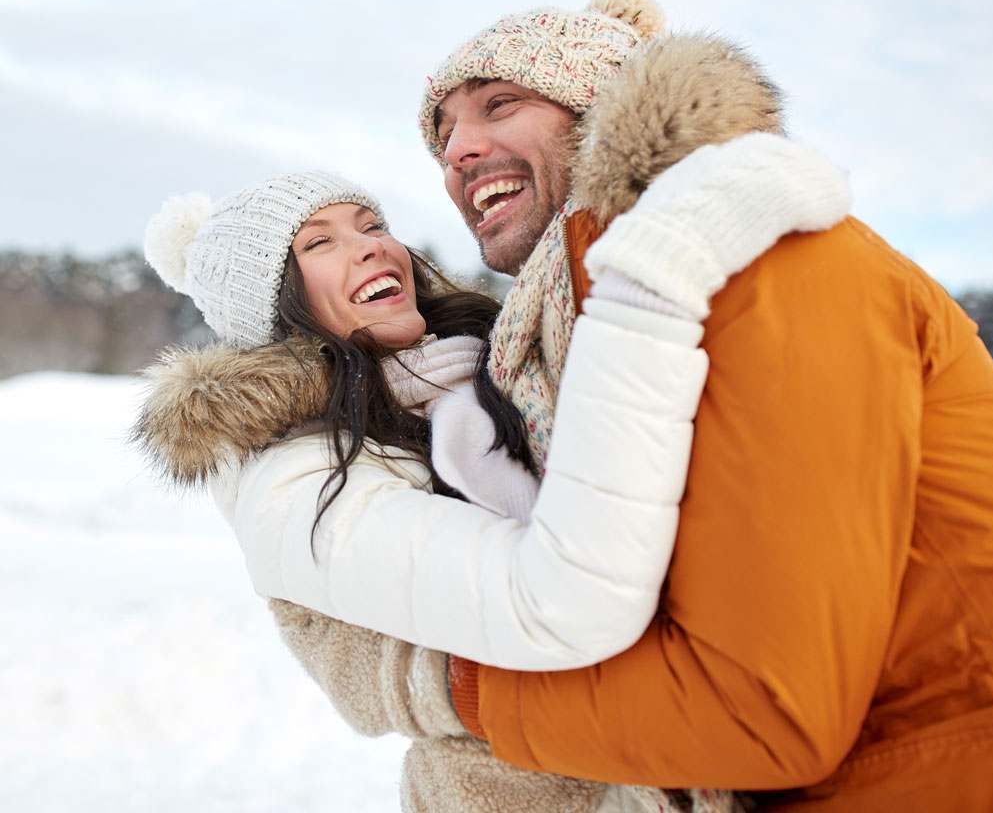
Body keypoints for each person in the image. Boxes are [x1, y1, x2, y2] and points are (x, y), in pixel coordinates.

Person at [260, 0, 993, 811]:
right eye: (441, 139)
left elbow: (764, 711)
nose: (458, 151)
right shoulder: (561, 337)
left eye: (498, 104)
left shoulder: (760, 260)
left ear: (599, 107)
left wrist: (445, 689)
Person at [136, 160, 847, 813]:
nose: (373, 247)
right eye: (319, 244)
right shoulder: (292, 477)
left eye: (372, 224)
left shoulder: (488, 365)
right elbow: (543, 597)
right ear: (274, 308)